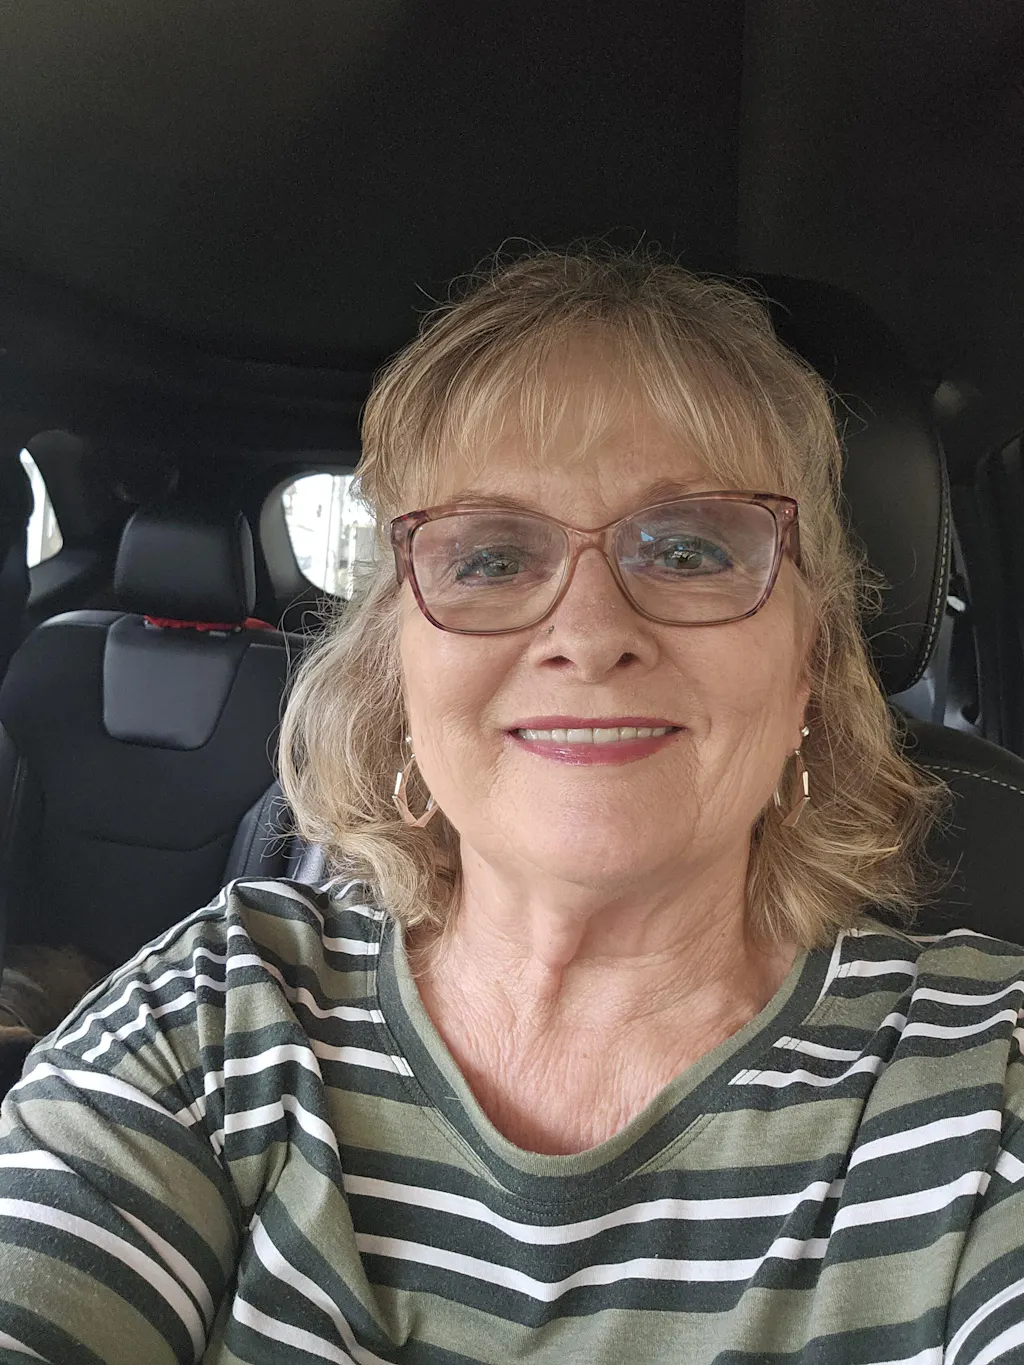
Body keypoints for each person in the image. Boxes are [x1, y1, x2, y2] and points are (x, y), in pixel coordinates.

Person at [0, 250, 1020, 1365]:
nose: (588, 632)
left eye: (689, 550)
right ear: (398, 670)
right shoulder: (214, 1020)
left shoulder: (985, 1087)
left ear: (807, 668)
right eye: (490, 558)